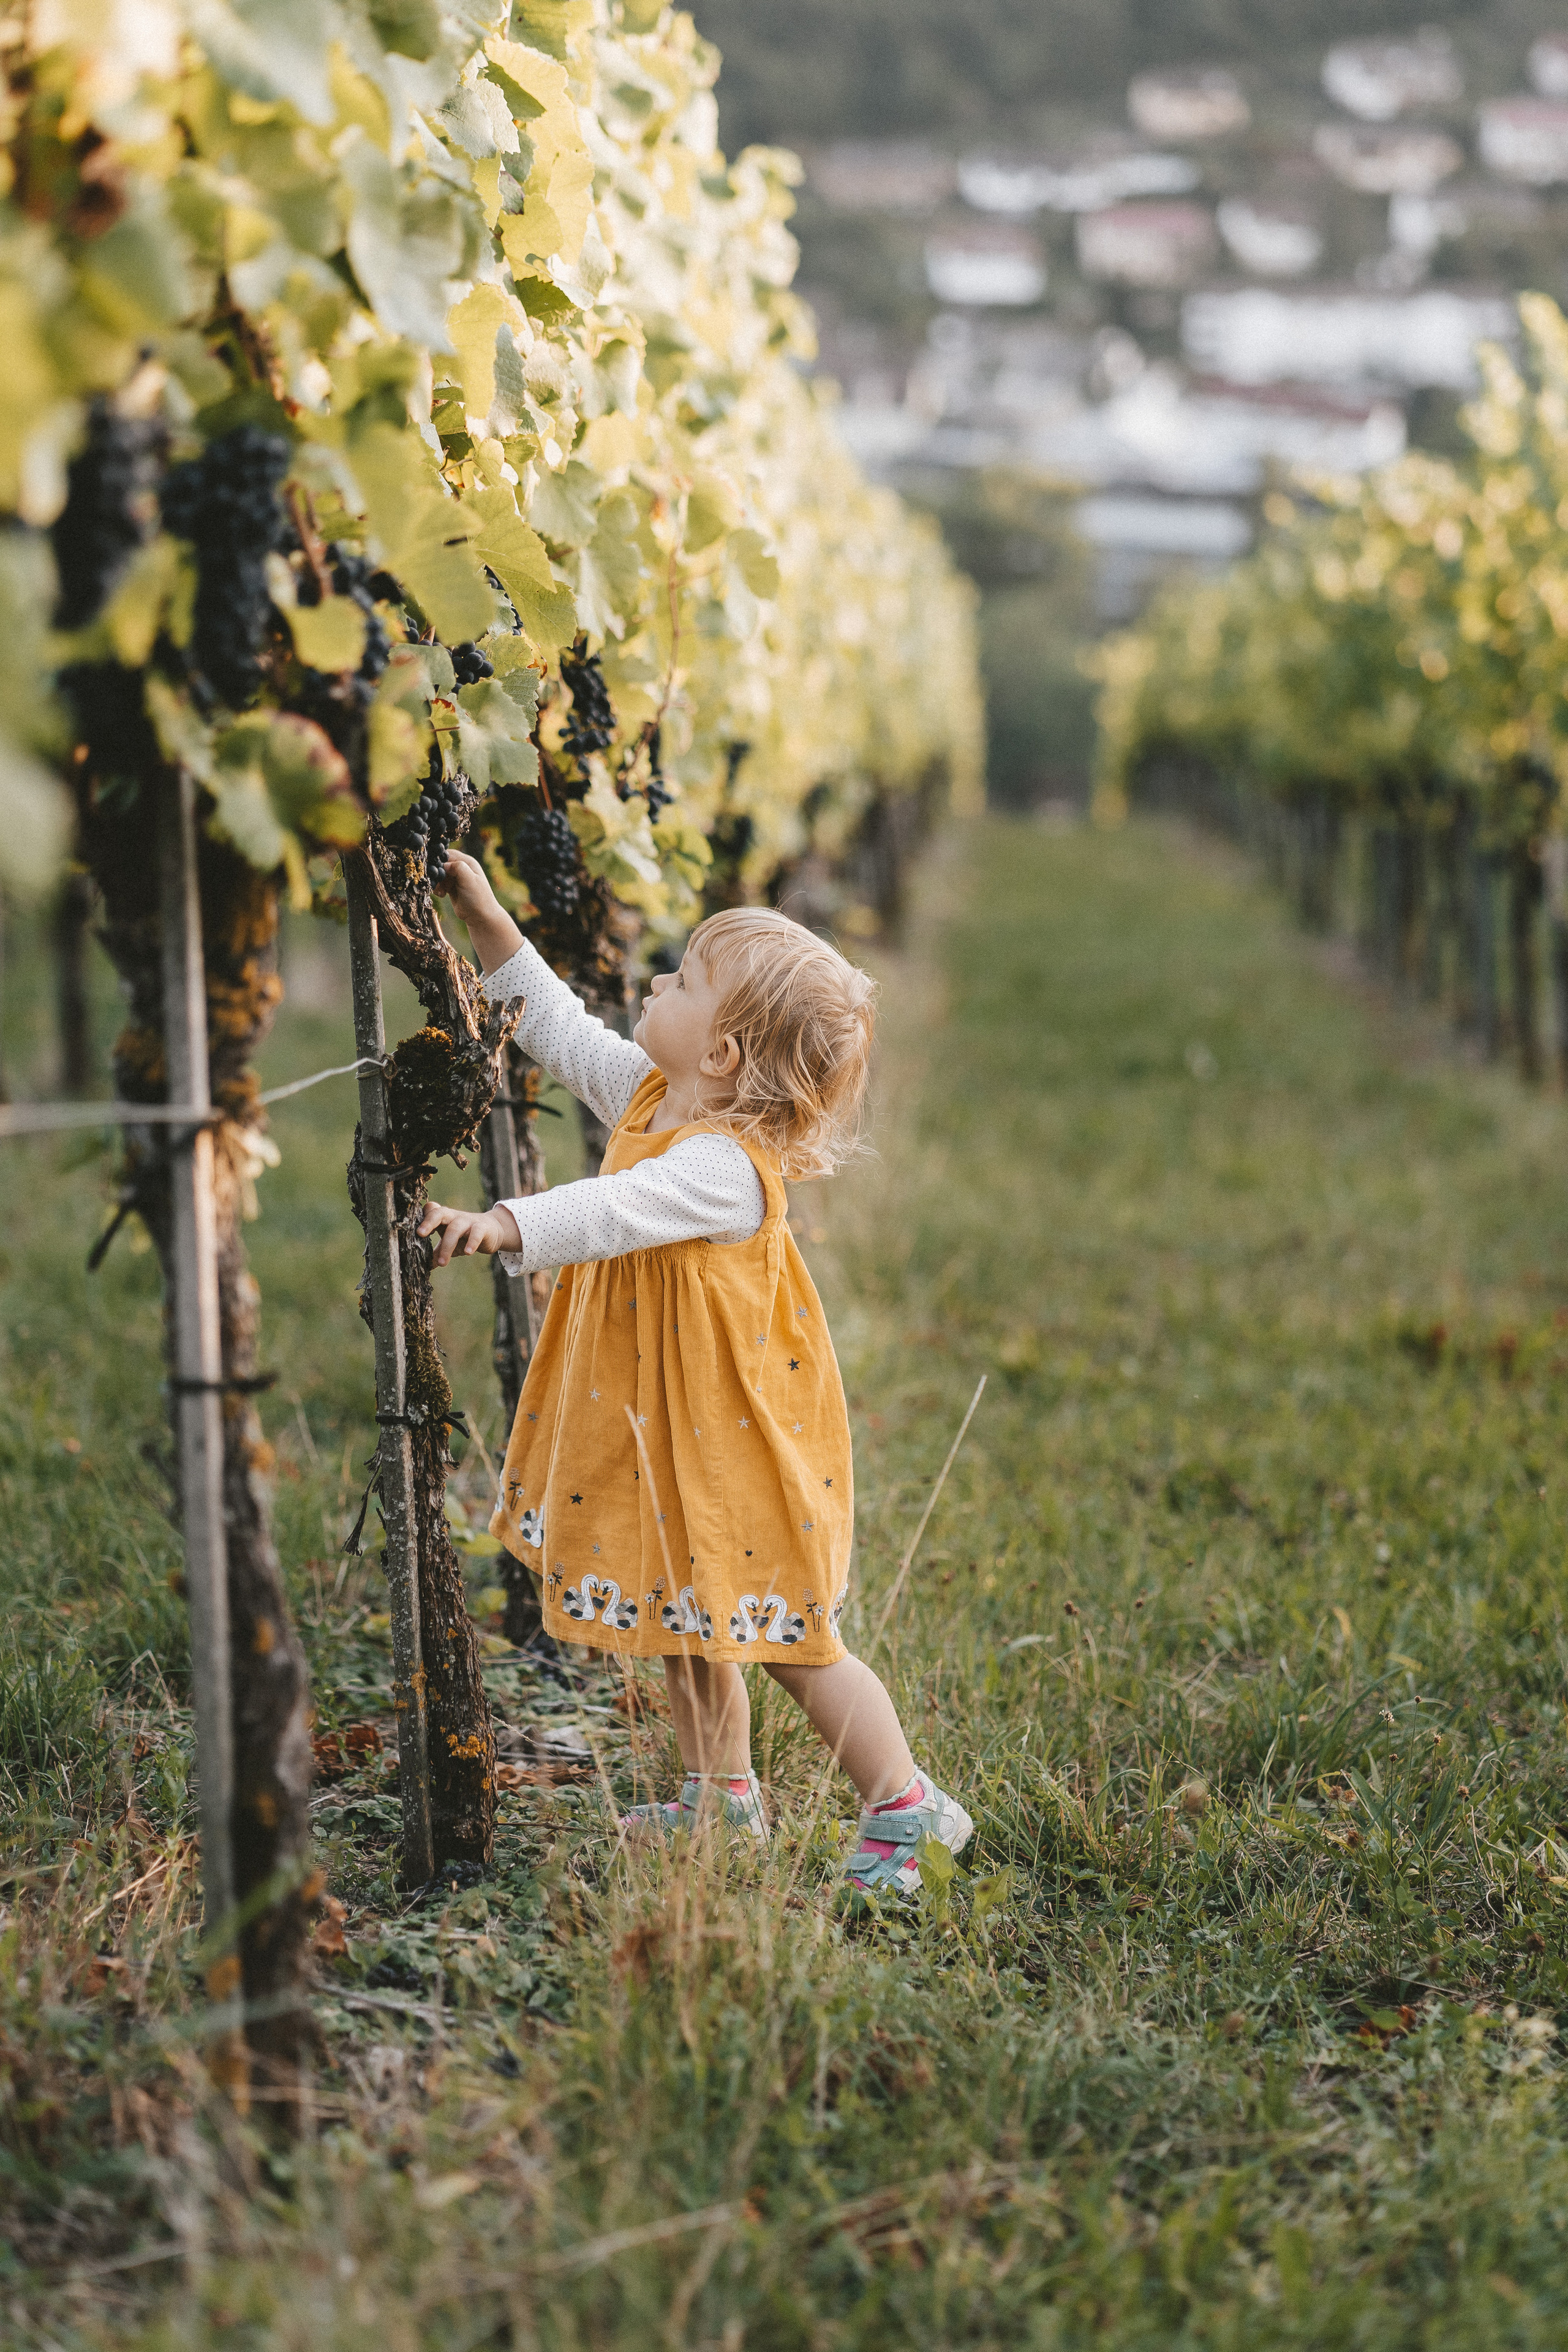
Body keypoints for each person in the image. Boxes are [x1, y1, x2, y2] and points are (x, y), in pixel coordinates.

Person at [421, 849, 972, 1904]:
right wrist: (489, 921)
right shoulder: (661, 1094)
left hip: (736, 1440)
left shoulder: (721, 1163)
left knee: (792, 1640)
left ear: (720, 1050)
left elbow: (612, 1211)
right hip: (677, 1426)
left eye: (681, 981)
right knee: (692, 1614)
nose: (655, 982)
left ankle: (908, 1804)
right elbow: (564, 1031)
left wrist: (502, 1223)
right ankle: (720, 1793)